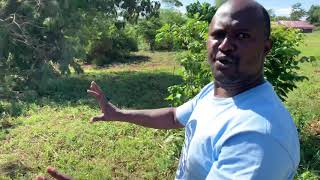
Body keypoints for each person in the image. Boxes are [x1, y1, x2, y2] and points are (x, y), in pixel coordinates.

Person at [37, 0, 300, 179]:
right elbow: (176, 116)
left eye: (242, 36)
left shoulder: (256, 138)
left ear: (266, 47)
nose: (225, 46)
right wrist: (119, 114)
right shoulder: (218, 91)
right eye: (218, 34)